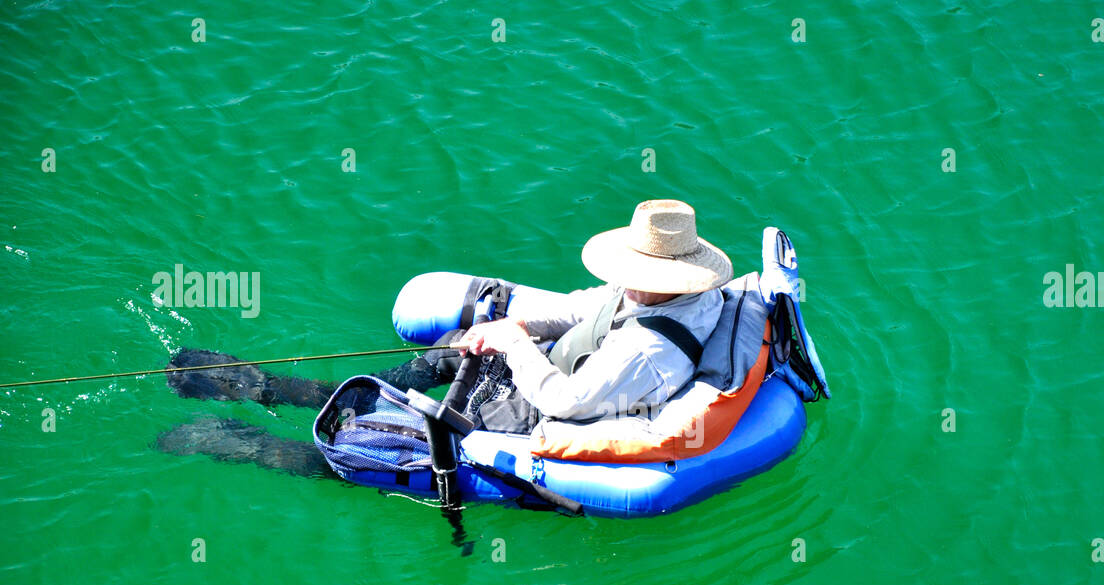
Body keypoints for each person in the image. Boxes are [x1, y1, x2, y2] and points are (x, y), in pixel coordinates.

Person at [156, 199, 732, 474]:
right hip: (534, 367)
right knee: (435, 355)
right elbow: (585, 309)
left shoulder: (649, 352)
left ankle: (230, 439)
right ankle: (264, 387)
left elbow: (567, 401)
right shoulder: (662, 294)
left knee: (364, 447)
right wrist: (513, 327)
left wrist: (514, 348)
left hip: (530, 410)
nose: (621, 277)